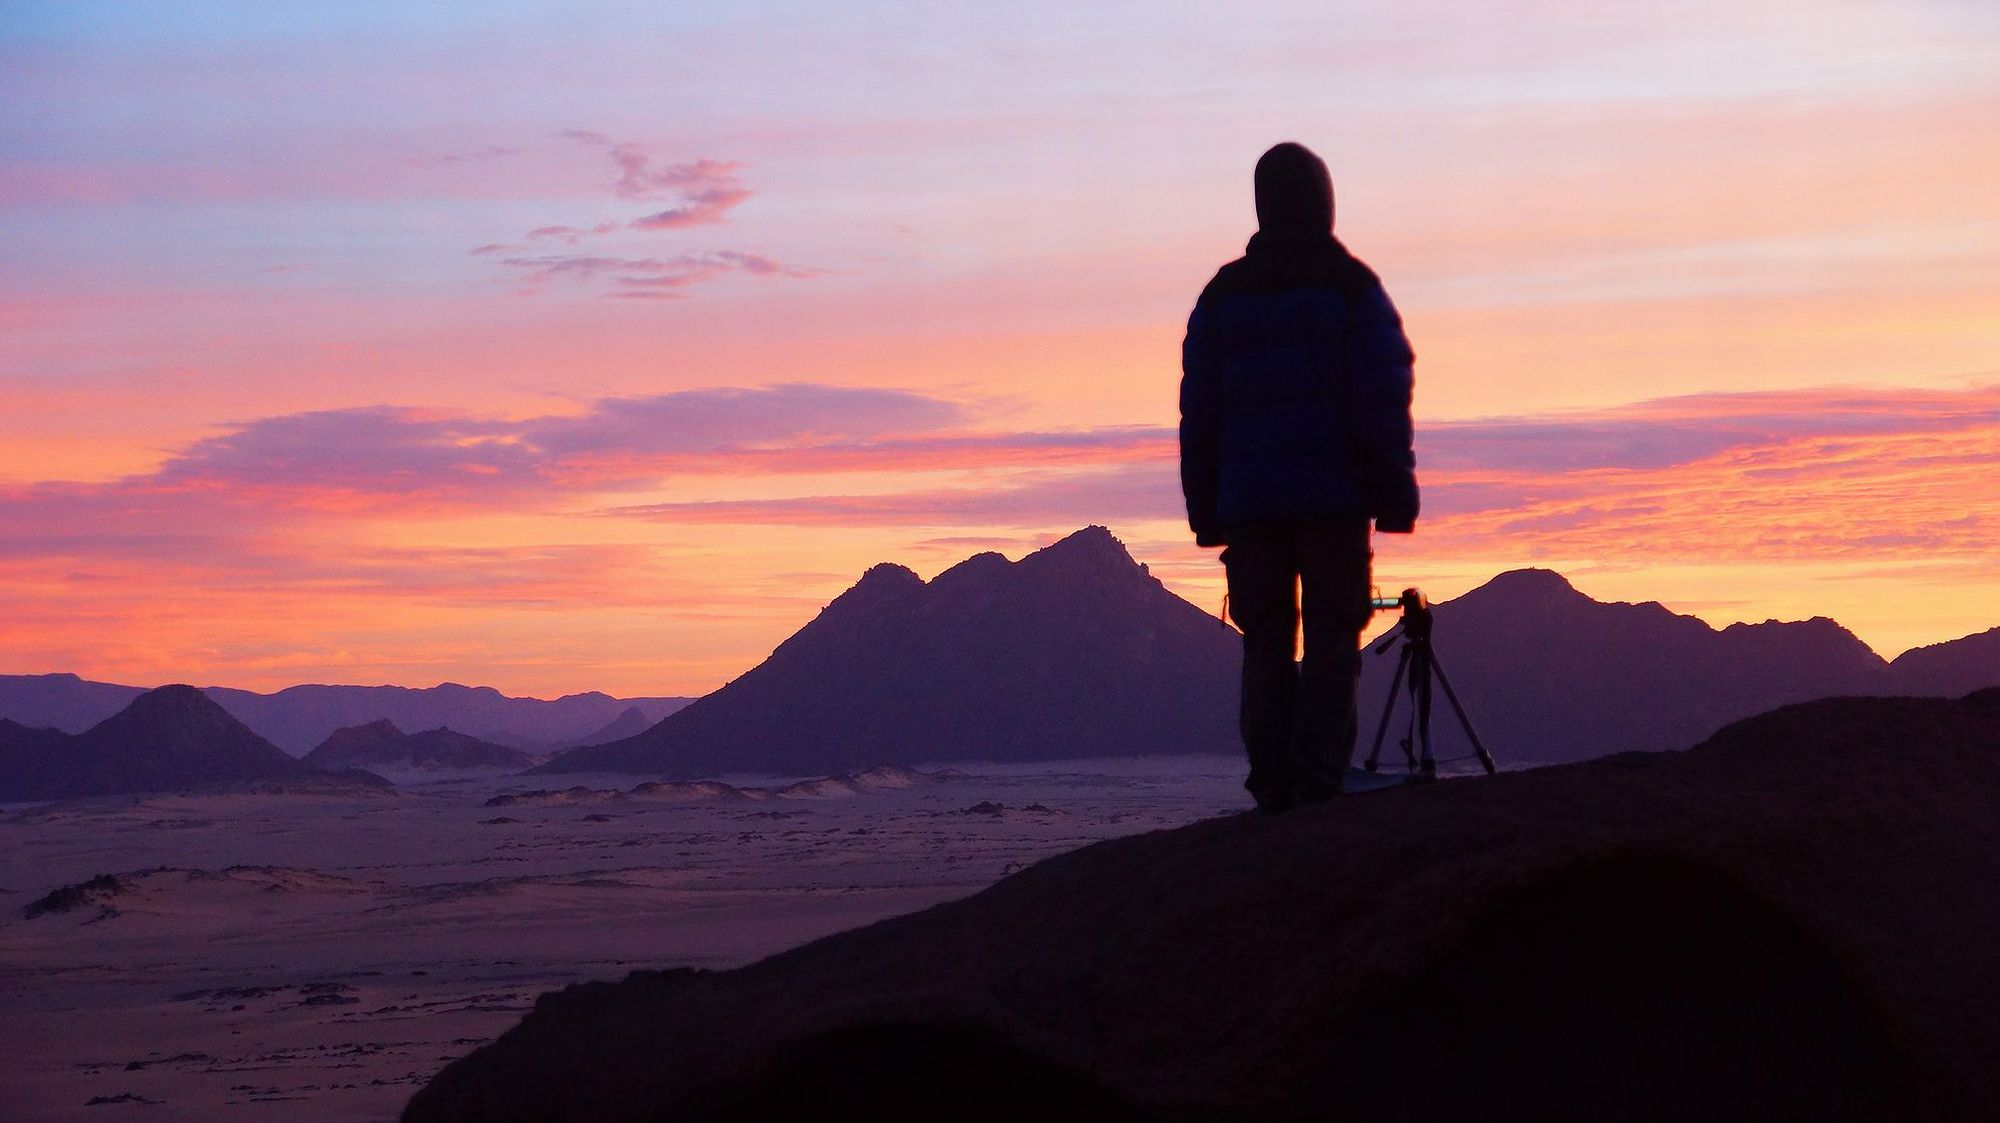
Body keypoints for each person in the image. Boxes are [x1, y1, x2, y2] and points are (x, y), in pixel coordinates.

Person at [1179, 141, 1419, 813]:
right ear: (1324, 200)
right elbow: (1382, 396)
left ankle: (1272, 784)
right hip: (1334, 501)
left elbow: (1199, 412)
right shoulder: (1351, 288)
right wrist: (1393, 494)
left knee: (1265, 640)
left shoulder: (1222, 295)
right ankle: (1317, 779)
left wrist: (1205, 509)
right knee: (1332, 637)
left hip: (1251, 506)